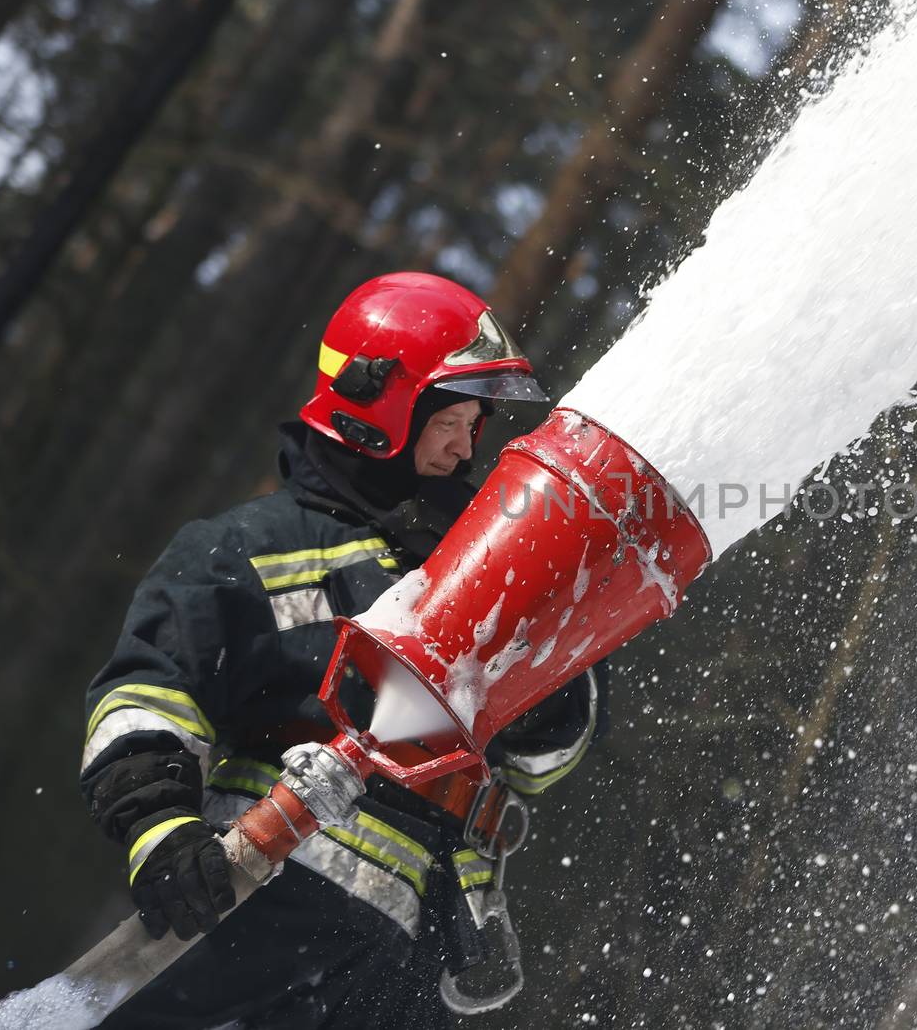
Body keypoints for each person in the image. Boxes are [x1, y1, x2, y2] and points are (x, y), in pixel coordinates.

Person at [80, 272, 606, 1027]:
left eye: (474, 424)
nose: (466, 448)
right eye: (449, 420)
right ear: (380, 409)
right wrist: (160, 828)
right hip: (264, 903)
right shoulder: (247, 548)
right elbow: (144, 695)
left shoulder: (476, 564)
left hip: (419, 952)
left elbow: (544, 761)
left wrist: (552, 667)